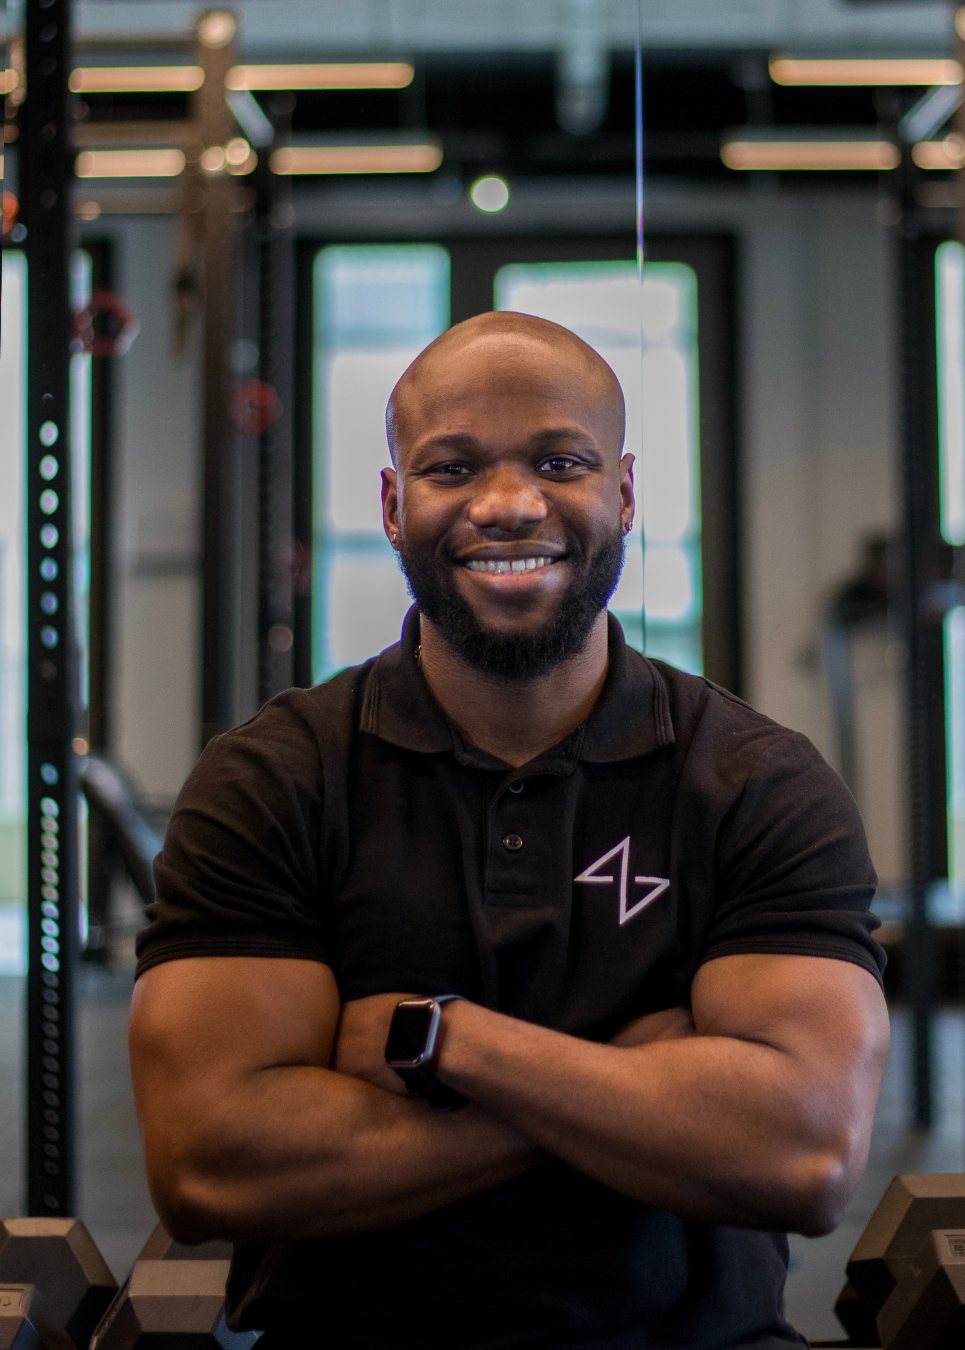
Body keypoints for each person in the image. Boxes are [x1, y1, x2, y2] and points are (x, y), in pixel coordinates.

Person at [130, 311, 890, 1349]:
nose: (509, 504)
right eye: (453, 468)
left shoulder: (757, 785)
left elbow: (800, 1157)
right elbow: (210, 1163)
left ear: (622, 493)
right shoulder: (273, 780)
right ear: (394, 505)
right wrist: (634, 1077)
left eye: (559, 460)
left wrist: (447, 1041)